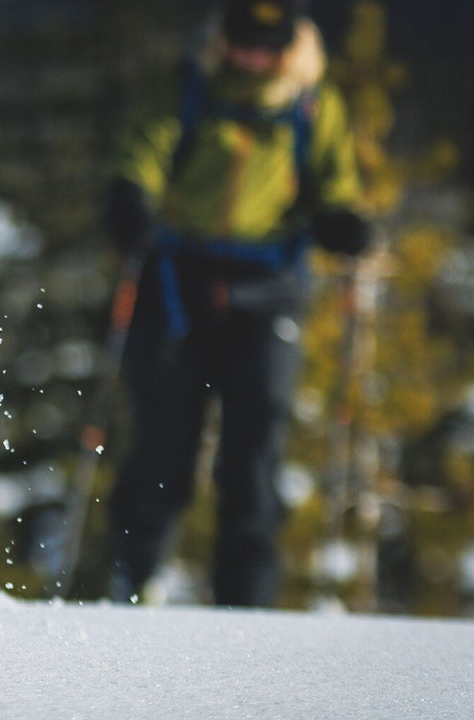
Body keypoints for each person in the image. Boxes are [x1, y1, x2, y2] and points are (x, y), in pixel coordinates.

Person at [105, 0, 370, 606]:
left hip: (269, 287)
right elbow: (144, 151)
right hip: (178, 279)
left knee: (256, 454)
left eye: (267, 46)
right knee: (162, 445)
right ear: (224, 39)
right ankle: (135, 578)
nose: (254, 56)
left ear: (290, 45)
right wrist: (131, 195)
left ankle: (247, 605)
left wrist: (342, 219)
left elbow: (336, 182)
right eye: (243, 42)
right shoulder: (188, 86)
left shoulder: (313, 103)